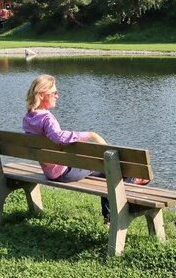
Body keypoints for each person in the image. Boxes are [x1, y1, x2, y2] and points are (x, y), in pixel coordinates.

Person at [22, 74, 148, 223]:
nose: (57, 96)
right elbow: (58, 136)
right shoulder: (47, 118)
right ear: (42, 95)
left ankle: (109, 216)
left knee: (106, 171)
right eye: (54, 92)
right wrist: (90, 135)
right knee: (112, 169)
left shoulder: (28, 118)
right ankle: (131, 184)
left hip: (50, 172)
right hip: (64, 173)